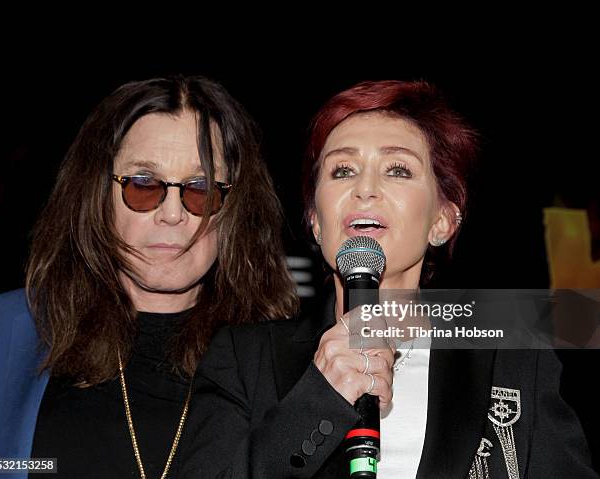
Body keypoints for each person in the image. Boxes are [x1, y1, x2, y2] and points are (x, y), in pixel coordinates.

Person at [181, 80, 597, 478]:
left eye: (397, 169)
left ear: (442, 220)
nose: (365, 188)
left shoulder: (514, 359)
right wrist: (318, 398)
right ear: (315, 223)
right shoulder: (244, 358)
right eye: (342, 170)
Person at [0, 75, 298, 478]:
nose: (172, 213)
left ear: (234, 209)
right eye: (143, 184)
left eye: (200, 188)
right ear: (96, 195)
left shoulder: (280, 361)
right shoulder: (2, 333)